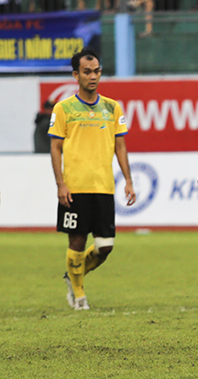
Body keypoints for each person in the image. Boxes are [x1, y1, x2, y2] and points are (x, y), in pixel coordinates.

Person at [49, 48, 136, 311]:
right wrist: (60, 184)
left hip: (103, 187)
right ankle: (79, 294)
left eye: (96, 71)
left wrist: (129, 180)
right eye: (87, 71)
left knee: (105, 246)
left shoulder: (112, 107)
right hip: (75, 187)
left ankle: (73, 275)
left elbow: (120, 146)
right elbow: (55, 148)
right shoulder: (63, 108)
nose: (93, 76)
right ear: (76, 75)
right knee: (76, 242)